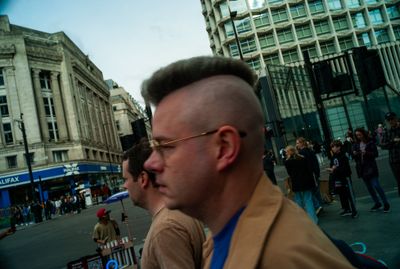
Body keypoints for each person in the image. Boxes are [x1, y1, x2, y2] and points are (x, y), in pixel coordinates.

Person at [141, 56, 354, 268]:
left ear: (224, 148)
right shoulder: (224, 238)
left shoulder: (280, 257)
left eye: (166, 146)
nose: (150, 164)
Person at [122, 139, 205, 269]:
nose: (124, 186)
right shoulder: (181, 210)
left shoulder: (164, 229)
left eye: (126, 179)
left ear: (143, 179)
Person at [353, 128, 390, 212]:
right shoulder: (356, 144)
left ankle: (385, 203)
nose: (358, 136)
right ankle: (377, 203)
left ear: (363, 134)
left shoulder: (370, 142)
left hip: (370, 167)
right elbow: (354, 156)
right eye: (357, 135)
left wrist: (366, 153)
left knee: (376, 185)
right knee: (369, 188)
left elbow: (375, 154)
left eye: (359, 134)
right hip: (362, 168)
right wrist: (355, 153)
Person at [284, 145, 318, 224]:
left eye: (286, 152)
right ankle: (313, 220)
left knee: (298, 200)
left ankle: (302, 220)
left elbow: (289, 173)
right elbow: (309, 170)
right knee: (308, 200)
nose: (285, 153)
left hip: (296, 183)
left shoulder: (287, 162)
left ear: (289, 152)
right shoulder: (303, 158)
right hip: (306, 182)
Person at [327, 140, 358, 218]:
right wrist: (332, 169)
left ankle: (354, 210)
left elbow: (346, 169)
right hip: (338, 178)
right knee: (342, 194)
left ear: (339, 147)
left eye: (334, 147)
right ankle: (346, 209)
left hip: (345, 178)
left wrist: (335, 169)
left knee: (349, 194)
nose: (333, 148)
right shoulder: (333, 156)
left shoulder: (343, 156)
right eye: (332, 147)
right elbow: (332, 165)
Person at [296, 137, 323, 215]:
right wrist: (317, 172)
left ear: (302, 143)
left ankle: (318, 206)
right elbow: (315, 163)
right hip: (314, 173)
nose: (296, 144)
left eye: (298, 143)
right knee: (316, 190)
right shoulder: (310, 151)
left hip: (308, 174)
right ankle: (319, 206)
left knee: (311, 191)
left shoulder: (301, 153)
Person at [380, 111, 400, 196]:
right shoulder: (386, 131)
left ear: (396, 119)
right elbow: (382, 145)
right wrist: (393, 141)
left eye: (392, 119)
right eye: (388, 120)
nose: (391, 121)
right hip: (394, 160)